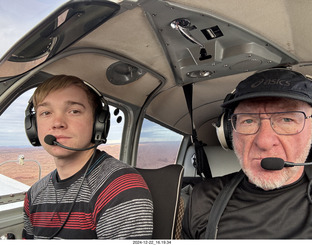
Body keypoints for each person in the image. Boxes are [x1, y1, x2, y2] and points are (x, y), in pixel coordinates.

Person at [182, 68, 312, 239]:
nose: (264, 141)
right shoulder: (203, 198)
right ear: (229, 133)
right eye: (248, 120)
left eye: (287, 119)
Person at [22, 75, 153, 239]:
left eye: (74, 111)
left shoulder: (120, 187)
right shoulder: (34, 194)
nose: (57, 122)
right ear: (33, 127)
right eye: (46, 112)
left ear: (99, 123)